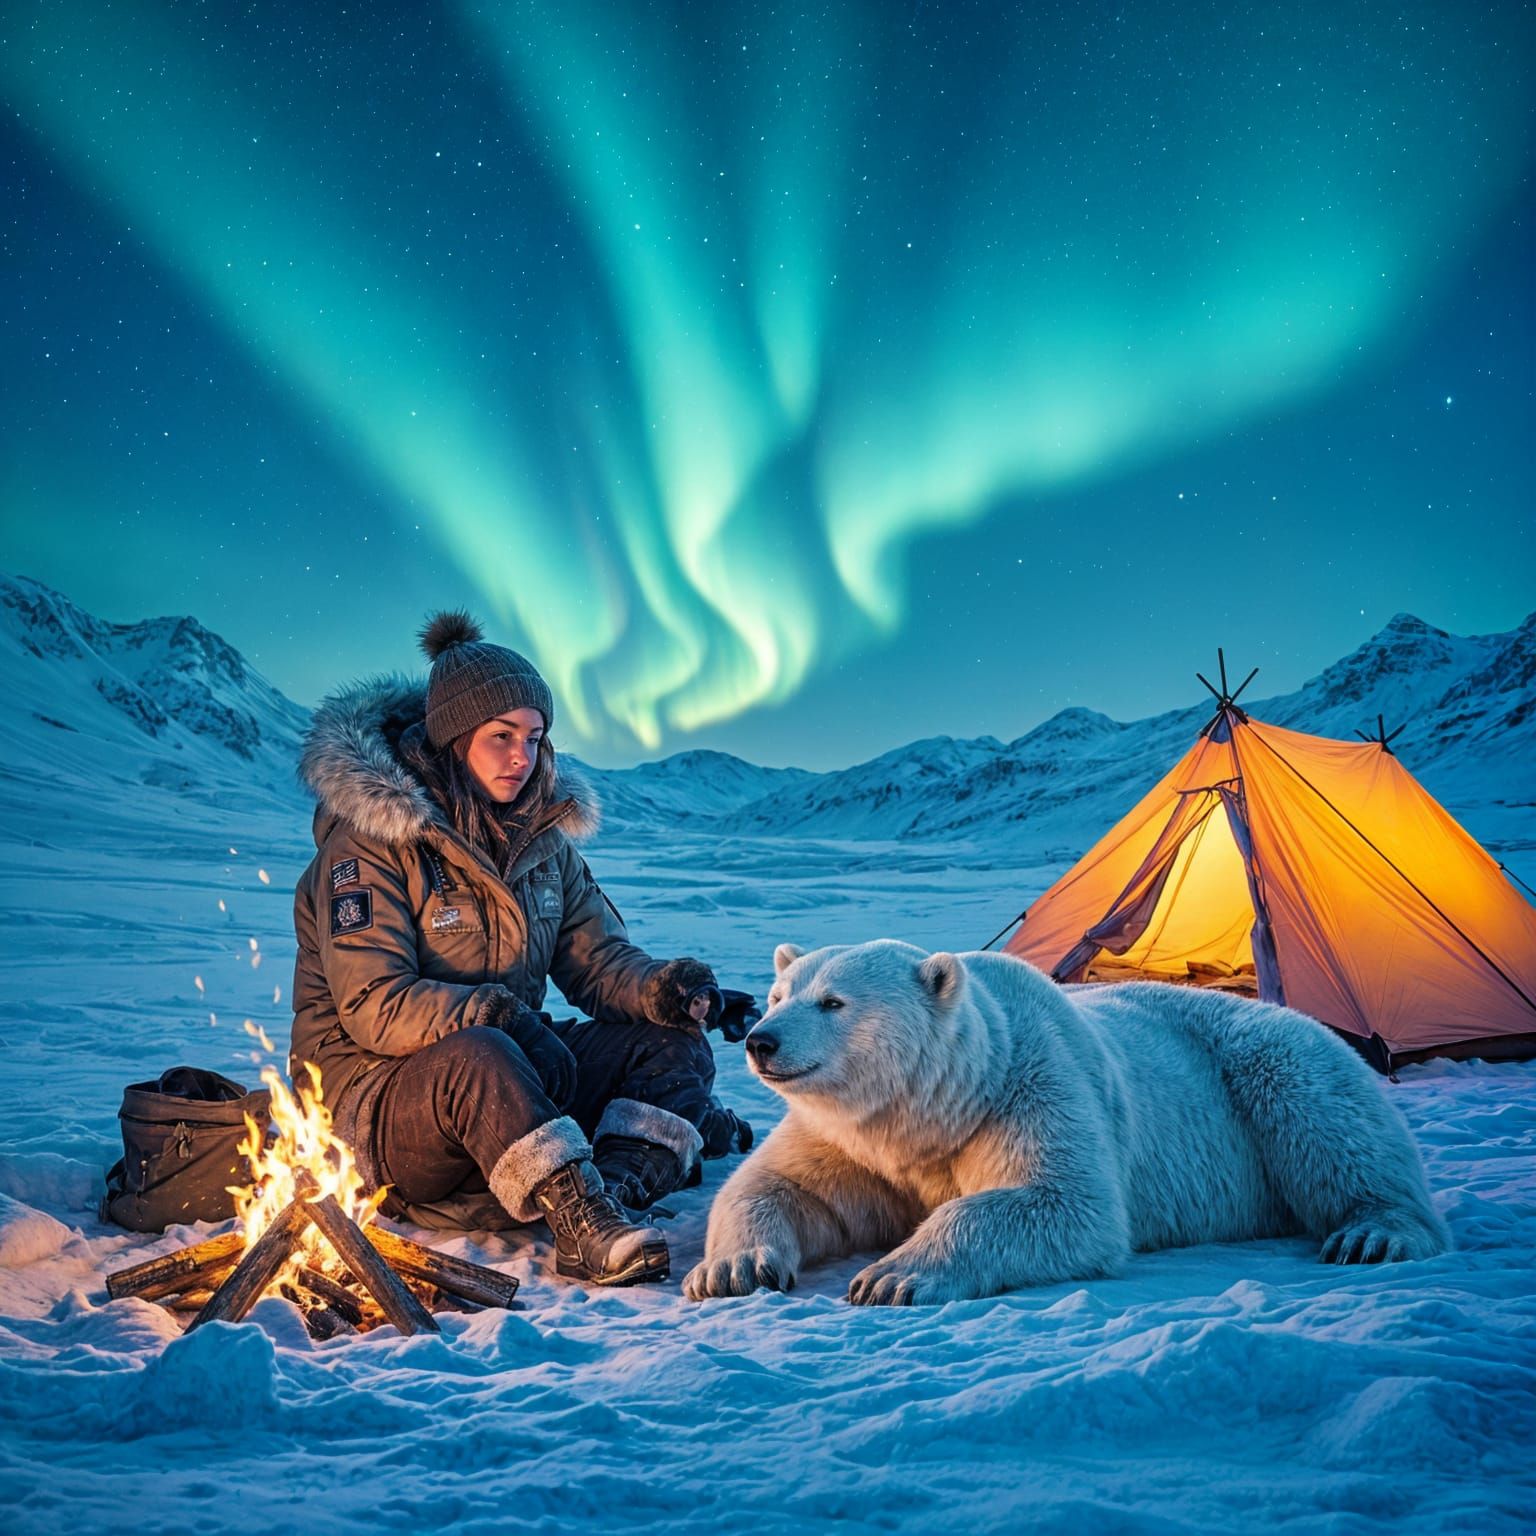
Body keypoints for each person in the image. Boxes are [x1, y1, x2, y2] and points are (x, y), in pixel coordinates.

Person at [289, 610, 755, 1286]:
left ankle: (613, 1195)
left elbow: (596, 961)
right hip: (374, 1101)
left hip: (510, 1067)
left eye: (534, 738)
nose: (522, 758)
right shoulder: (369, 844)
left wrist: (669, 990)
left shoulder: (543, 844)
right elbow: (373, 1005)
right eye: (501, 737)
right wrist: (500, 1016)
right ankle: (579, 1226)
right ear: (451, 741)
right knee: (482, 1054)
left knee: (669, 1042)